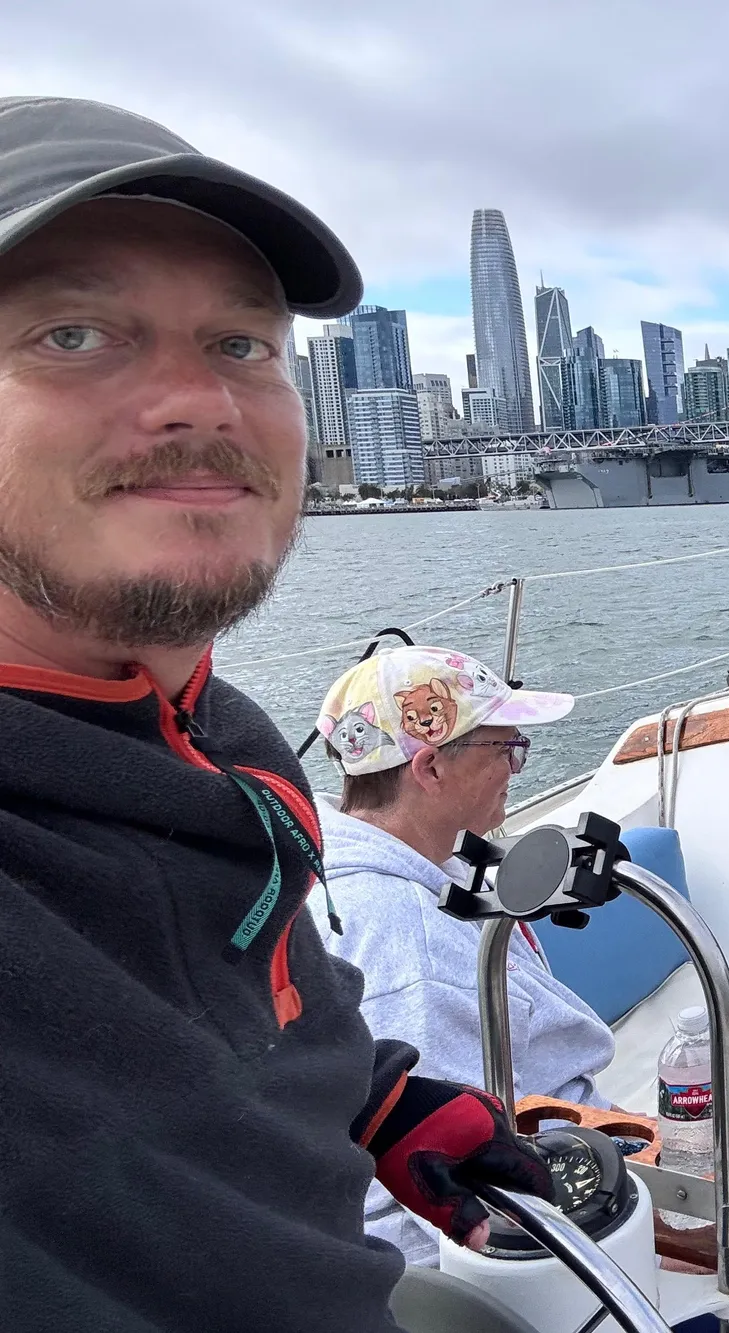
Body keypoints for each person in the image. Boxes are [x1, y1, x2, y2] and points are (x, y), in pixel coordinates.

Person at [0, 96, 551, 1330]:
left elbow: (254, 992)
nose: (198, 403)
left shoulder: (211, 737)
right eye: (74, 333)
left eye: (243, 345)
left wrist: (381, 1099)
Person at [314, 644, 619, 1265]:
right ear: (428, 769)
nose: (516, 767)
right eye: (507, 748)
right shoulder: (407, 946)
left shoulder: (368, 867)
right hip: (531, 1231)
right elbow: (451, 1191)